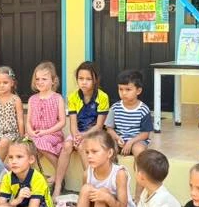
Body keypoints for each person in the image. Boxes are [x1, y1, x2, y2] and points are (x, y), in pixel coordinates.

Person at [54, 61, 109, 199]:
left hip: (95, 134)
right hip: (78, 133)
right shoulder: (73, 97)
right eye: (81, 79)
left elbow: (98, 126)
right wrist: (76, 136)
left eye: (88, 79)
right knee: (67, 145)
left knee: (82, 148)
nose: (84, 82)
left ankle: (90, 184)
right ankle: (58, 185)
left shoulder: (102, 97)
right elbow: (72, 124)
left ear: (95, 79)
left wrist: (82, 137)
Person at [26, 61, 66, 190]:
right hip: (35, 134)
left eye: (44, 79)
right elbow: (28, 121)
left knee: (39, 142)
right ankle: (30, 178)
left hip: (53, 134)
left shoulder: (57, 98)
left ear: (53, 81)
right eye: (37, 79)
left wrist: (45, 132)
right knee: (24, 146)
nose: (40, 82)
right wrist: (31, 132)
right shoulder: (32, 99)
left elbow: (62, 122)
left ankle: (58, 173)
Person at [105, 69, 152, 158]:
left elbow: (145, 134)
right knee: (108, 148)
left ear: (138, 91)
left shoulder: (143, 109)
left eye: (128, 89)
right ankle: (113, 170)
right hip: (119, 140)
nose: (124, 93)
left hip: (136, 141)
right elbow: (109, 129)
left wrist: (131, 142)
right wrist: (117, 138)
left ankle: (140, 171)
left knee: (139, 150)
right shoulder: (114, 108)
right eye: (121, 89)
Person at [0, 65, 24, 162]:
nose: (1, 85)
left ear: (12, 83)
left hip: (12, 133)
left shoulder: (16, 99)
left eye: (5, 82)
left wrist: (22, 137)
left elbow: (20, 120)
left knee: (3, 142)